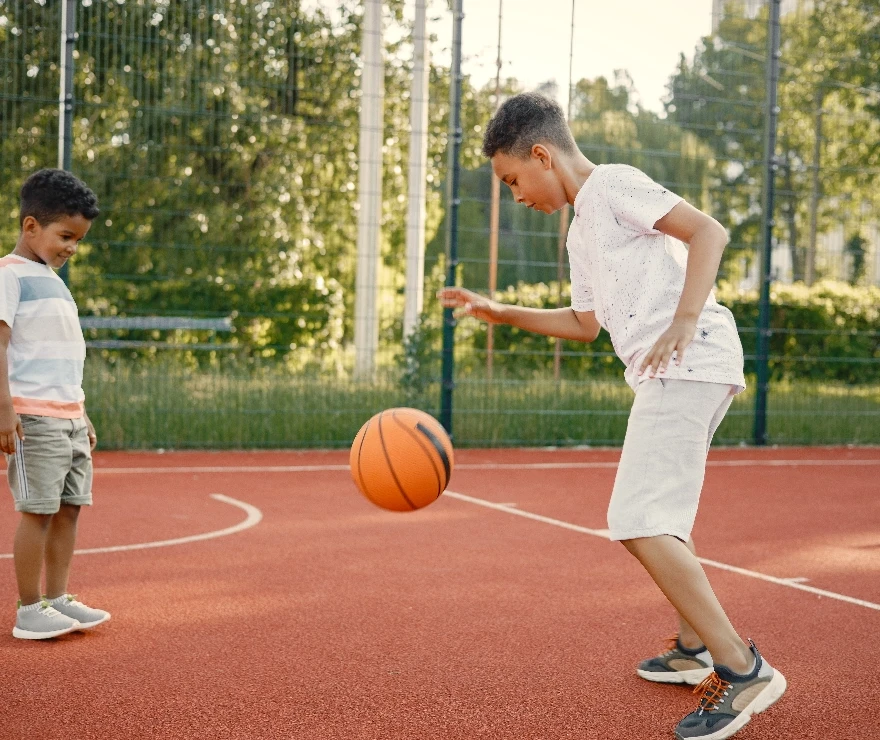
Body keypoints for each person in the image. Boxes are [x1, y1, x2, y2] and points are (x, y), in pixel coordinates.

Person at [439, 93, 786, 740]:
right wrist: (502, 311)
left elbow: (708, 231)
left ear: (542, 154)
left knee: (636, 519)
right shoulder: (580, 230)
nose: (515, 195)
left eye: (513, 179)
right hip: (678, 368)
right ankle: (691, 646)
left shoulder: (615, 185)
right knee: (662, 515)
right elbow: (584, 324)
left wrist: (684, 320)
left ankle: (742, 669)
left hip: (687, 361)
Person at [1, 168, 110, 639]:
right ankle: (29, 609)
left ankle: (59, 598)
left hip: (67, 415)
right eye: (66, 235)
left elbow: (64, 357)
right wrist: (4, 410)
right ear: (31, 226)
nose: (71, 247)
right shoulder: (9, 275)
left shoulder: (54, 279)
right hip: (32, 416)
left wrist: (81, 413)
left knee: (69, 508)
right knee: (39, 509)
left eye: (78, 239)